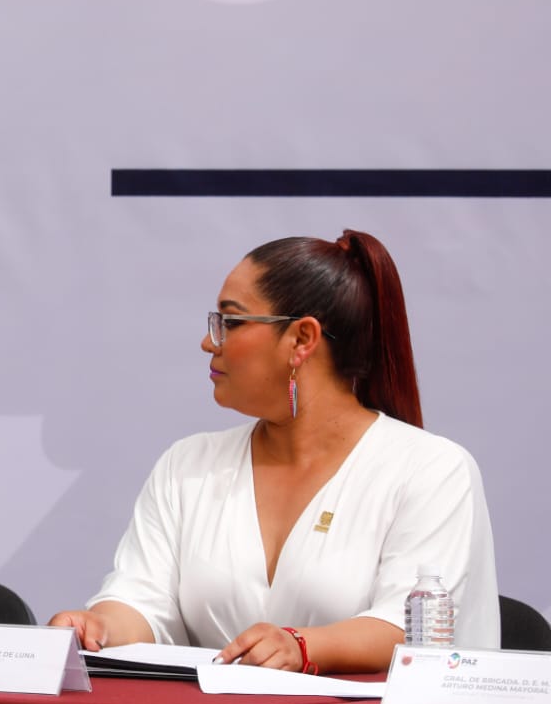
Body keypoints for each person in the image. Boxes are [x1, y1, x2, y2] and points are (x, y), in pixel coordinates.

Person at [50, 230, 499, 673]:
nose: (209, 341)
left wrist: (303, 646)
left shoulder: (432, 470)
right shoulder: (187, 465)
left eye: (231, 322)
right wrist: (98, 626)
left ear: (302, 339)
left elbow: (412, 627)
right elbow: (142, 600)